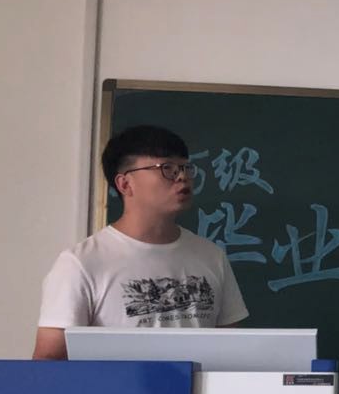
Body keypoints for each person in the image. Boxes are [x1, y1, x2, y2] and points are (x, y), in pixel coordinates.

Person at [33, 125, 247, 359]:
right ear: (125, 184)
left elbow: (231, 350)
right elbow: (48, 362)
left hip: (198, 384)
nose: (182, 176)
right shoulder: (81, 263)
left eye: (185, 167)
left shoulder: (211, 256)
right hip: (121, 384)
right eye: (167, 168)